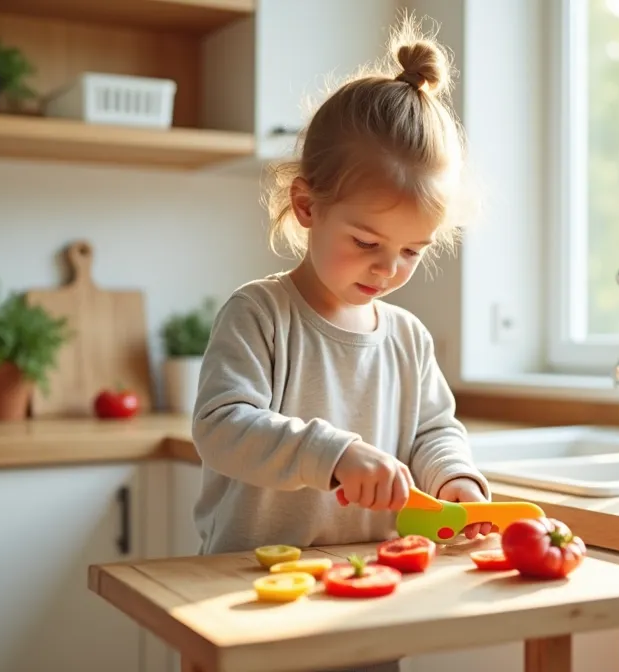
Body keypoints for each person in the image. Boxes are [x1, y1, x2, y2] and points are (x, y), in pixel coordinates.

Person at [190, 15, 491, 566]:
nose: (386, 269)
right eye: (366, 241)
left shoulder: (408, 339)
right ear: (308, 207)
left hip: (371, 575)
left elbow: (433, 430)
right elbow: (221, 427)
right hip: (251, 581)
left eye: (411, 251)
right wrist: (334, 453)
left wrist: (453, 479)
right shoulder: (259, 314)